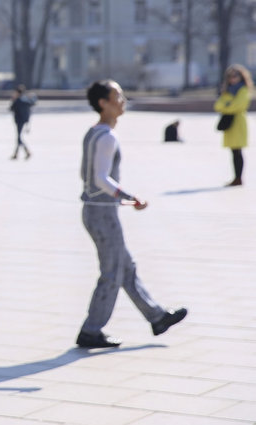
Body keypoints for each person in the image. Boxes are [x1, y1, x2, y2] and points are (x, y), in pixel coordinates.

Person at [77, 79, 187, 348]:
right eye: (117, 96)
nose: (122, 100)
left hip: (96, 211)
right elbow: (101, 178)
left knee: (126, 268)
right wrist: (128, 198)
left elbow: (86, 174)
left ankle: (157, 316)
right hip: (103, 213)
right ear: (103, 103)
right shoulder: (106, 137)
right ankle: (91, 330)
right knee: (112, 272)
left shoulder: (93, 133)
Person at [214, 64, 252, 186]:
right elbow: (218, 105)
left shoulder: (244, 90)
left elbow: (238, 105)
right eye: (230, 76)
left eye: (235, 76)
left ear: (241, 77)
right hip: (229, 124)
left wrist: (227, 106)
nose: (232, 79)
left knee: (238, 150)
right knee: (233, 151)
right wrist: (228, 105)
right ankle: (236, 177)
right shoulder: (227, 91)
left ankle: (238, 178)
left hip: (238, 123)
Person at [9, 85, 36, 159]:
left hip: (18, 120)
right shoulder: (25, 100)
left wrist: (13, 99)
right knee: (19, 137)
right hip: (24, 120)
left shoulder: (17, 101)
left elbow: (11, 108)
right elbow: (33, 103)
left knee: (19, 138)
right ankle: (16, 154)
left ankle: (26, 151)